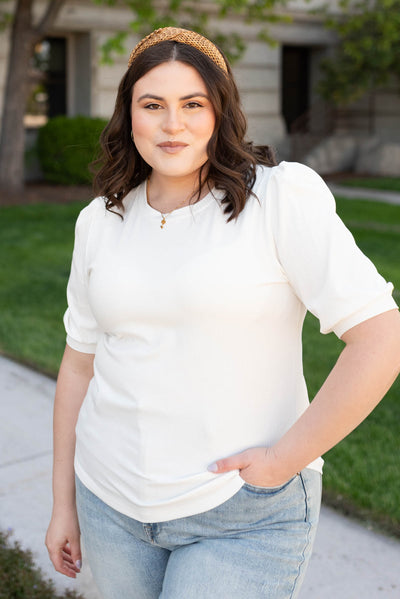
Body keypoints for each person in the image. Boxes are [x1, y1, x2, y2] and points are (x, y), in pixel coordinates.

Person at [45, 27, 400, 599]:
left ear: (221, 112)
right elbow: (78, 367)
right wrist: (64, 503)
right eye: (152, 105)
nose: (172, 124)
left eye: (193, 104)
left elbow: (382, 336)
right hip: (109, 504)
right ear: (128, 115)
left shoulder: (280, 200)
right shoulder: (99, 222)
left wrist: (284, 461)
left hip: (241, 513)